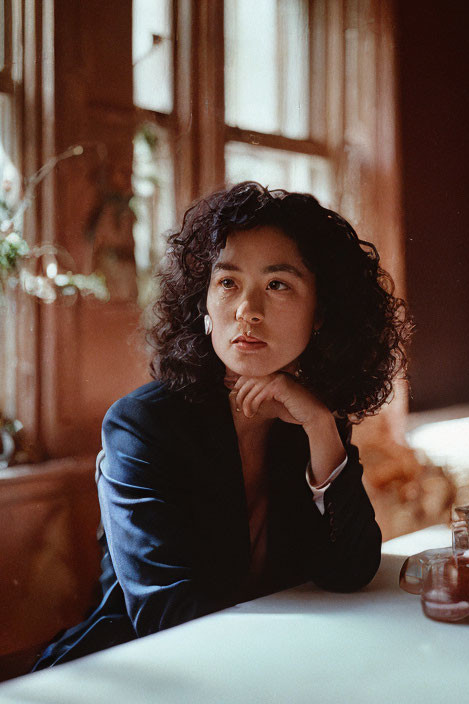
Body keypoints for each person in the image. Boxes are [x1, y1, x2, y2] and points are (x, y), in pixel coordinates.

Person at [32, 181, 412, 668]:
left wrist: (321, 429)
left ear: (320, 313)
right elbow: (165, 612)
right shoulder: (141, 426)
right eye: (228, 282)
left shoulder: (312, 415)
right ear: (204, 306)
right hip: (134, 670)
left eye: (277, 285)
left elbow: (351, 569)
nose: (246, 310)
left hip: (256, 668)